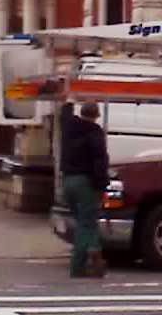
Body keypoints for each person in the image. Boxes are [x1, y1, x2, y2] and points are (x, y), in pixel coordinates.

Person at [61, 99, 109, 278]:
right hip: (85, 183)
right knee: (86, 224)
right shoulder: (94, 132)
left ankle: (95, 250)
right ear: (96, 116)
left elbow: (63, 115)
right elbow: (99, 160)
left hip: (68, 182)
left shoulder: (68, 128)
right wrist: (102, 183)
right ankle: (78, 266)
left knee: (84, 221)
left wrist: (67, 102)